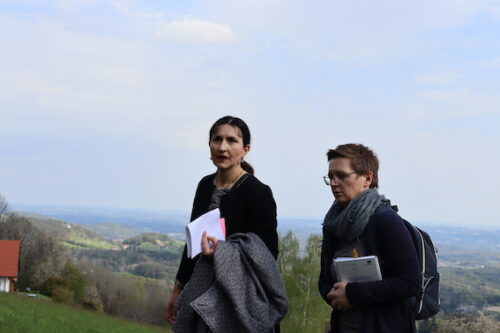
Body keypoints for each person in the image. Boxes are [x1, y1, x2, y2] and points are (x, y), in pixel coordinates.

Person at [165, 116, 287, 332]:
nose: (223, 147)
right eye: (217, 139)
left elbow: (267, 254)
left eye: (232, 141)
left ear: (245, 149)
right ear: (209, 145)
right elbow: (193, 242)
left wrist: (222, 252)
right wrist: (178, 289)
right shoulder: (204, 185)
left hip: (236, 300)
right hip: (199, 291)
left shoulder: (257, 192)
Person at [318, 143, 421, 333]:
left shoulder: (386, 221)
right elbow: (324, 280)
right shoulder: (333, 223)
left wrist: (352, 294)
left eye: (341, 175)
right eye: (330, 177)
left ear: (367, 178)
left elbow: (410, 283)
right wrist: (334, 295)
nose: (333, 183)